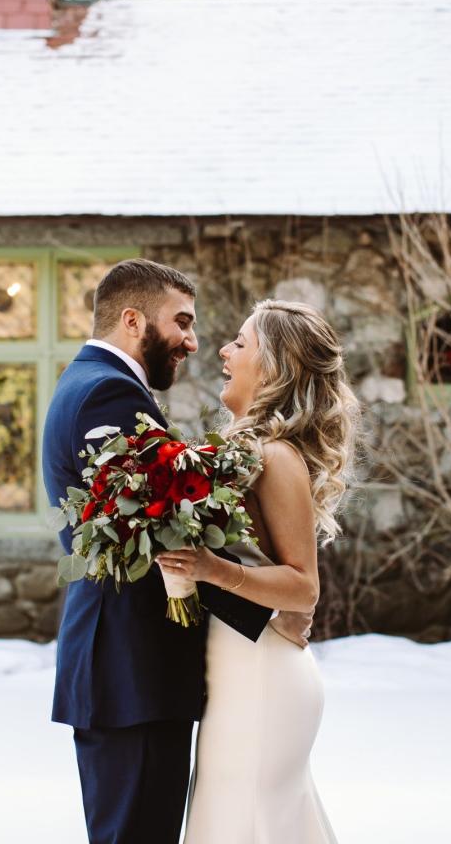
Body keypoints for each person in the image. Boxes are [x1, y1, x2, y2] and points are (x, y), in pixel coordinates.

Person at [42, 259, 312, 844]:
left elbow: (162, 529)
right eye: (182, 322)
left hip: (137, 672)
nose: (194, 341)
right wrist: (269, 612)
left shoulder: (99, 386)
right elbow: (150, 535)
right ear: (133, 320)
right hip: (130, 669)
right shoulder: (106, 393)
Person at [158, 299, 358, 844]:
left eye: (240, 343)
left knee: (247, 823)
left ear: (273, 367)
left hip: (263, 677)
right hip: (238, 669)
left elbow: (303, 586)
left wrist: (211, 569)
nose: (222, 350)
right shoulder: (243, 451)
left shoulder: (277, 456)